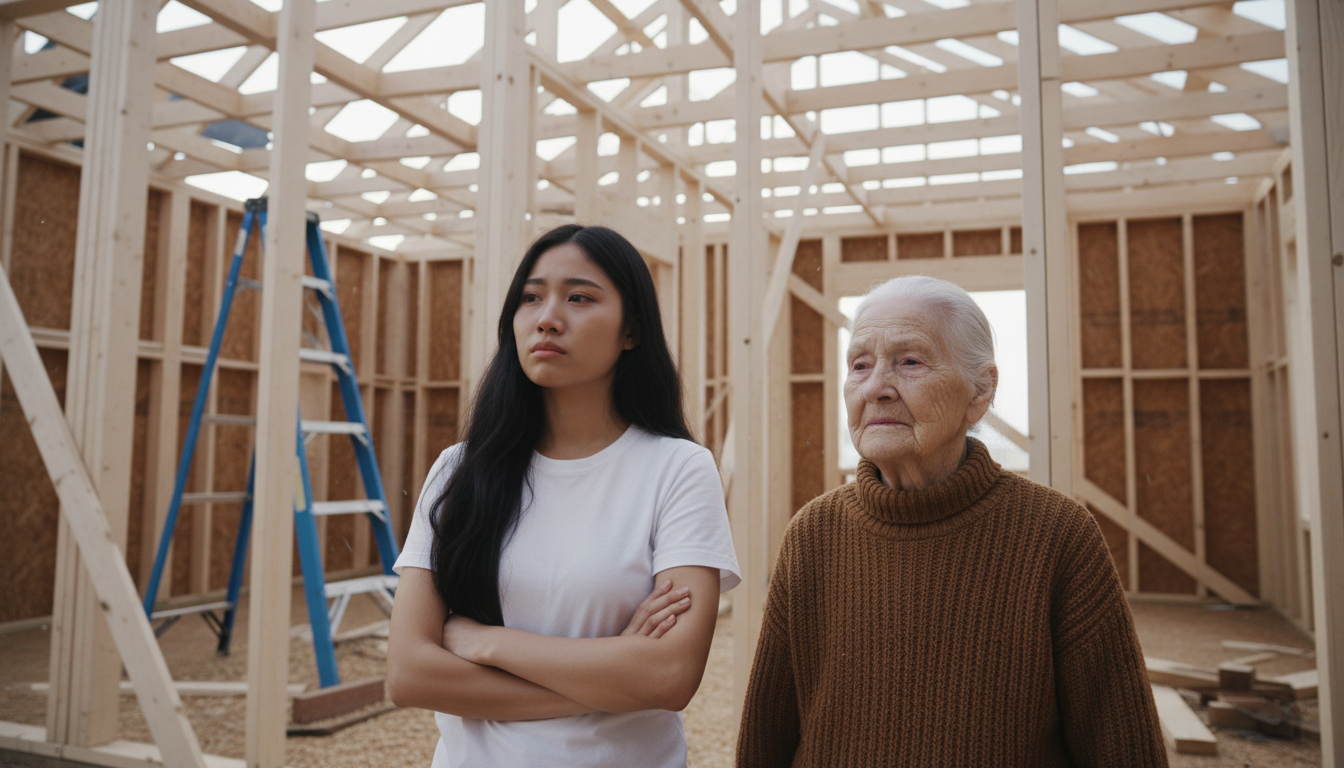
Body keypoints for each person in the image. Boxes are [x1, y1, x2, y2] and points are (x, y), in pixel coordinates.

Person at [736, 275, 1167, 767]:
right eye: (859, 365)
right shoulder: (813, 534)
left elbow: (1124, 748)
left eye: (910, 362)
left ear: (981, 390)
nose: (876, 387)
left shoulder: (1056, 535)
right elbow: (764, 742)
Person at [387, 224, 740, 767]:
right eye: (531, 297)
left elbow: (669, 677)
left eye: (579, 297)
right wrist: (613, 677)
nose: (548, 316)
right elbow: (410, 674)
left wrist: (485, 643)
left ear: (632, 331)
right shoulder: (459, 470)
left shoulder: (678, 470)